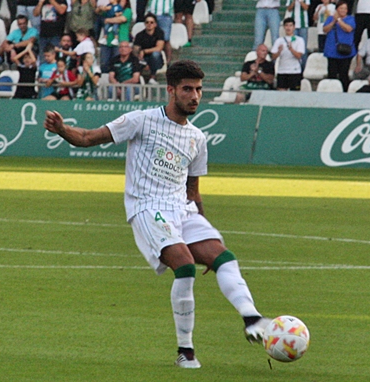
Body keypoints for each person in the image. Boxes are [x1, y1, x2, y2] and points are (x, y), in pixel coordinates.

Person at [42, 60, 271, 369]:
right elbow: (87, 137)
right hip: (147, 208)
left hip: (183, 209)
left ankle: (252, 319)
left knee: (224, 257)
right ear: (171, 90)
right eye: (188, 89)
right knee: (185, 265)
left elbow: (193, 191)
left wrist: (205, 228)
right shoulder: (142, 120)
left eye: (199, 90)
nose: (195, 96)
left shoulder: (197, 138)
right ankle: (186, 351)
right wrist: (61, 130)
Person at [323, 1, 355, 92]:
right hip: (332, 51)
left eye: (345, 8)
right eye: (341, 8)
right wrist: (333, 21)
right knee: (332, 75)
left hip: (346, 52)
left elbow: (348, 29)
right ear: (337, 9)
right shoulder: (330, 18)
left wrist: (339, 20)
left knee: (343, 75)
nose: (343, 10)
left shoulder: (351, 19)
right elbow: (325, 29)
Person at [272, 17, 305, 90]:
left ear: (294, 27)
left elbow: (299, 56)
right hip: (282, 71)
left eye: (290, 25)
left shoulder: (299, 40)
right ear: (284, 27)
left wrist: (291, 49)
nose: (288, 28)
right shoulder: (279, 41)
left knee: (295, 95)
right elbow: (273, 57)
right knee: (281, 94)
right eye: (286, 25)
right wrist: (279, 51)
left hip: (295, 71)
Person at [99, 0, 132, 72]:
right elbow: (99, 13)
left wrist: (108, 20)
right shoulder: (110, 8)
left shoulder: (127, 10)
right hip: (107, 41)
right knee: (104, 63)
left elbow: (122, 19)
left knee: (117, 63)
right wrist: (101, 8)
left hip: (120, 41)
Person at [133, 13, 166, 84]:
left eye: (151, 22)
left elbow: (159, 48)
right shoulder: (139, 35)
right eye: (147, 22)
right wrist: (141, 59)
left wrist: (144, 51)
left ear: (155, 24)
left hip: (156, 59)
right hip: (143, 59)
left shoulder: (159, 33)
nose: (149, 24)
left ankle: (153, 77)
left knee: (155, 54)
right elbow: (135, 50)